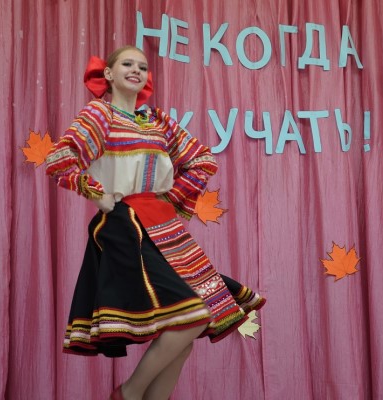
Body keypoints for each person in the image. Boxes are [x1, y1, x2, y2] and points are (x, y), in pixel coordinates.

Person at [45, 45, 265, 400]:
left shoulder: (156, 120)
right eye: (127, 64)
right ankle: (128, 394)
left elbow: (202, 159)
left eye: (142, 66)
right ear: (109, 74)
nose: (136, 70)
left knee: (186, 332)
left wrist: (172, 199)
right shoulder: (100, 113)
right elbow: (62, 157)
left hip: (163, 224)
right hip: (124, 224)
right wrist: (97, 194)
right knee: (194, 314)